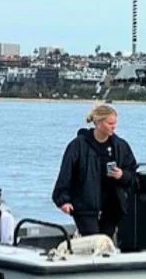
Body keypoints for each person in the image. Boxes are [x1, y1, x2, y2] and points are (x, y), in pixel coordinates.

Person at [52, 103, 137, 241]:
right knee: (93, 241)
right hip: (85, 206)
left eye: (115, 123)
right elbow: (65, 174)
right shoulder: (77, 145)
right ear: (98, 122)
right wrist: (63, 200)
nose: (114, 127)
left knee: (105, 241)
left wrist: (122, 175)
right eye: (110, 123)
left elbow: (133, 173)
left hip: (112, 205)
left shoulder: (121, 146)